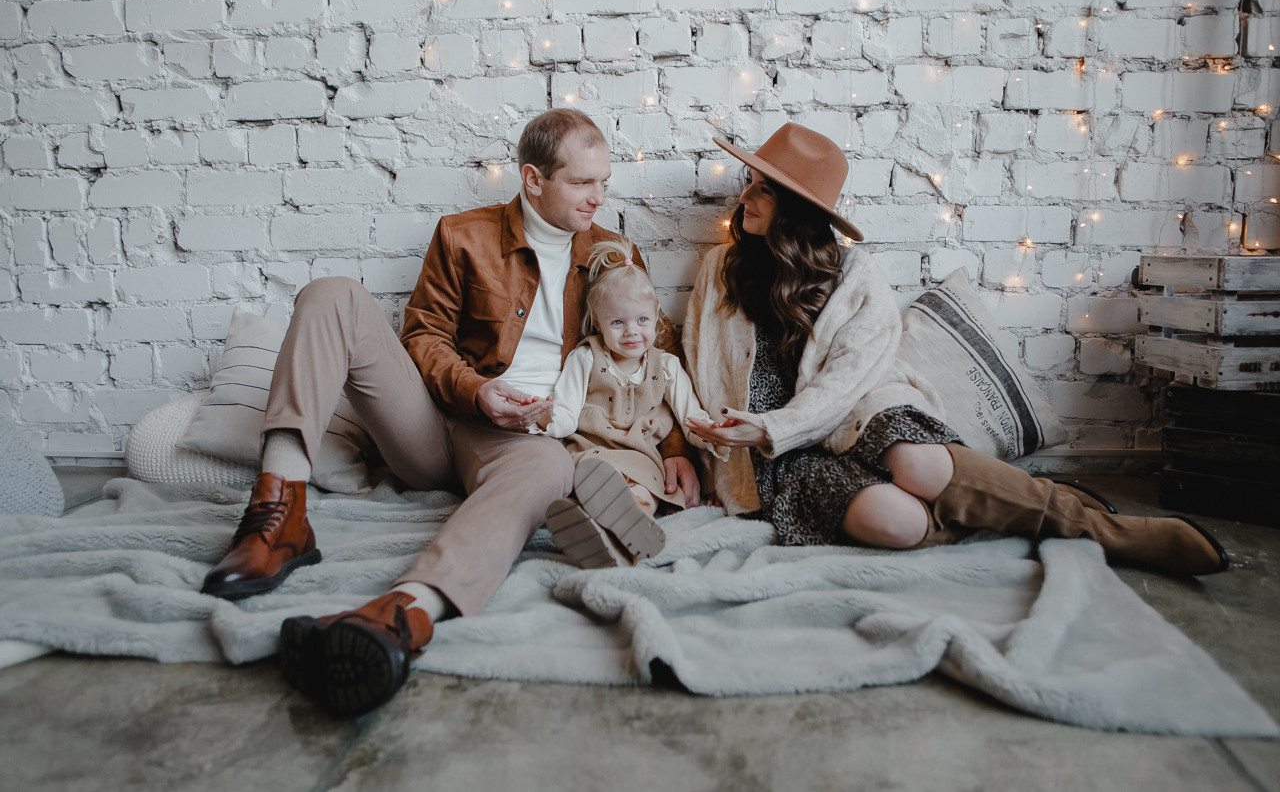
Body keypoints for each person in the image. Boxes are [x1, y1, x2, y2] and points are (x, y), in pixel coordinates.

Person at [199, 109, 701, 717]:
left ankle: (401, 616)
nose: (599, 197)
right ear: (532, 179)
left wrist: (674, 448)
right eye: (582, 183)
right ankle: (279, 515)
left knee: (550, 469)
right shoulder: (462, 235)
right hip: (435, 424)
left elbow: (652, 352)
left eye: (604, 181)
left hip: (526, 443)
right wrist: (474, 389)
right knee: (331, 294)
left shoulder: (614, 252)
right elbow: (423, 336)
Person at [683, 122, 1228, 576]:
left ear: (797, 208)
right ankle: (1010, 504)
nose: (745, 198)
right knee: (895, 524)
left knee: (917, 465)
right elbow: (701, 363)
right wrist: (726, 447)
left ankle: (1103, 531)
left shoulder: (855, 276)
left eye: (763, 189)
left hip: (856, 412)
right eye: (750, 182)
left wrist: (776, 425)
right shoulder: (718, 272)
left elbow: (850, 380)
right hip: (778, 458)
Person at [533, 239, 727, 568]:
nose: (631, 332)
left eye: (641, 320)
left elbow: (690, 416)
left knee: (643, 489)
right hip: (593, 451)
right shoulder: (585, 358)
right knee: (594, 479)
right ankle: (604, 532)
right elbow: (566, 411)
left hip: (642, 456)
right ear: (597, 323)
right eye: (617, 323)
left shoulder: (666, 366)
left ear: (655, 318)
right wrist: (545, 419)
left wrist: (710, 432)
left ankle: (620, 533)